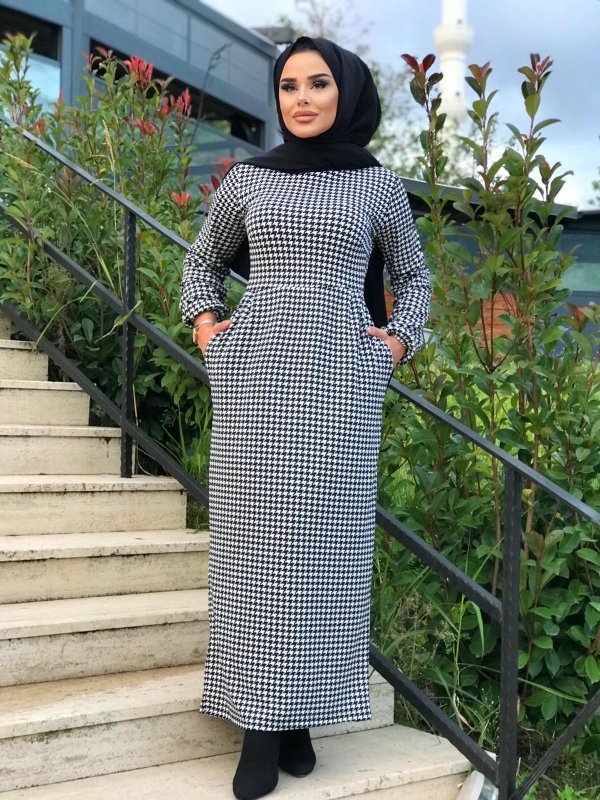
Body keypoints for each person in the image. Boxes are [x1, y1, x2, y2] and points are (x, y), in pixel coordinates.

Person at [179, 35, 432, 800]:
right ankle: (263, 728)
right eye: (289, 86)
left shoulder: (378, 185)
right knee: (256, 552)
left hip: (339, 387)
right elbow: (202, 261)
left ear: (345, 92)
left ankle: (297, 718)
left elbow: (414, 278)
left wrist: (393, 345)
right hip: (255, 381)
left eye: (318, 83)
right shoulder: (249, 180)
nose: (302, 98)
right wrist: (209, 329)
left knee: (323, 554)